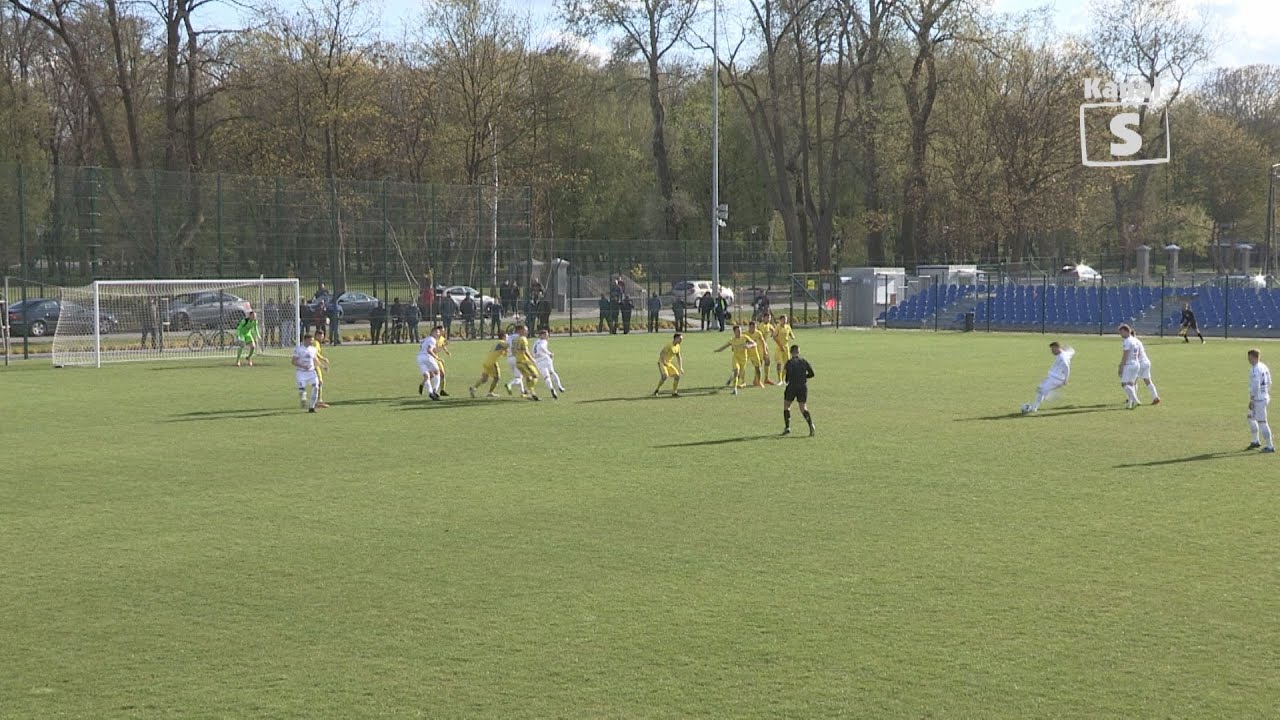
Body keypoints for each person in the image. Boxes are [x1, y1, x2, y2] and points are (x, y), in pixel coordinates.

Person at [1022, 341, 1075, 414]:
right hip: (1053, 378)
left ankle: (1047, 398)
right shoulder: (1065, 354)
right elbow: (1071, 351)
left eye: (1053, 349)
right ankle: (1036, 405)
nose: (1051, 351)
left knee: (1041, 390)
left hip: (1055, 379)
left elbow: (1067, 367)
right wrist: (1069, 349)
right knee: (1040, 390)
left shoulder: (1062, 357)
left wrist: (1066, 379)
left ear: (1057, 348)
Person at [1117, 324, 1159, 409]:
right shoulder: (1138, 341)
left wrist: (1121, 366)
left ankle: (1132, 399)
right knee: (1147, 381)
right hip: (1146, 361)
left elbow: (1132, 354)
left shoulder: (1130, 341)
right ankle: (1155, 397)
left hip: (1138, 363)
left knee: (1131, 383)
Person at [781, 344, 816, 436]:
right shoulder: (804, 361)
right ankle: (811, 425)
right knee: (803, 407)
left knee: (787, 405)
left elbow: (787, 378)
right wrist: (804, 377)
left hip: (792, 387)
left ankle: (787, 427)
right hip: (803, 387)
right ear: (798, 352)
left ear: (790, 352)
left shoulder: (789, 363)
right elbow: (812, 374)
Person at [715, 325, 756, 395]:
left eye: (740, 330)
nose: (740, 332)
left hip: (744, 359)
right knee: (737, 371)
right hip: (736, 358)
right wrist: (718, 350)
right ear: (734, 332)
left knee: (738, 374)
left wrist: (749, 346)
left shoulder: (745, 337)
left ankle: (731, 377)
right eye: (738, 331)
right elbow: (725, 346)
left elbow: (754, 343)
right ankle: (735, 389)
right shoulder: (732, 340)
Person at [1247, 348, 1274, 452]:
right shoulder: (1264, 366)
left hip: (1258, 400)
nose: (1248, 360)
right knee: (1250, 417)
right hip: (1263, 397)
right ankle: (1255, 441)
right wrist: (1266, 392)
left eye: (1250, 358)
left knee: (1262, 422)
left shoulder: (1255, 369)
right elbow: (1270, 381)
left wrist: (1252, 399)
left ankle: (1270, 446)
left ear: (1255, 357)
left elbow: (1255, 386)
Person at [532, 328, 567, 398]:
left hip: (538, 361)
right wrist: (549, 353)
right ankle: (559, 386)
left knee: (546, 377)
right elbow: (542, 347)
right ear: (541, 335)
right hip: (545, 359)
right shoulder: (543, 341)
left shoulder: (535, 342)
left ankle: (551, 389)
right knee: (552, 372)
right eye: (546, 335)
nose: (547, 336)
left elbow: (533, 351)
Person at [292, 333, 323, 413]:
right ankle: (303, 399)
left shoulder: (313, 349)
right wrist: (303, 366)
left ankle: (312, 407)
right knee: (302, 391)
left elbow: (315, 359)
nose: (312, 342)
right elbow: (293, 361)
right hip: (301, 372)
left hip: (311, 372)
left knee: (316, 387)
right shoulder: (298, 349)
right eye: (311, 340)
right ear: (306, 340)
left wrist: (323, 366)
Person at [511, 324, 541, 400]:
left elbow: (513, 351)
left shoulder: (515, 339)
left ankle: (531, 393)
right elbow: (525, 351)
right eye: (525, 330)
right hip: (524, 361)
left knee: (528, 377)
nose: (527, 331)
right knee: (535, 375)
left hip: (518, 362)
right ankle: (530, 391)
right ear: (521, 331)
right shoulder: (523, 339)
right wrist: (532, 359)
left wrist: (518, 355)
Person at [416, 325, 444, 400]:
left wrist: (441, 348)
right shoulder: (432, 339)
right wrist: (437, 358)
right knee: (437, 372)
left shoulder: (426, 339)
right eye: (437, 332)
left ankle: (430, 392)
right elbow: (429, 350)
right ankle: (435, 390)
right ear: (433, 332)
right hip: (427, 357)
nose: (438, 334)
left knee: (426, 376)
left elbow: (433, 350)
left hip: (419, 358)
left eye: (439, 332)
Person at [653, 332, 683, 397]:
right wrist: (664, 362)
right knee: (665, 376)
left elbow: (678, 356)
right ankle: (657, 390)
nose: (681, 340)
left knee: (677, 376)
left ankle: (674, 392)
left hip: (668, 363)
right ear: (676, 338)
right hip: (662, 362)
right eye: (680, 339)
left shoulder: (678, 346)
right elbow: (661, 353)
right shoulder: (669, 345)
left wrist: (681, 367)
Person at [745, 320, 771, 387]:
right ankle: (739, 381)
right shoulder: (745, 334)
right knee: (742, 366)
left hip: (757, 351)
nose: (754, 329)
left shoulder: (758, 333)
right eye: (752, 327)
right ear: (749, 327)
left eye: (755, 327)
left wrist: (765, 350)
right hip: (747, 353)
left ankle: (757, 381)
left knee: (759, 365)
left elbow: (763, 341)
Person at [311, 329, 332, 407]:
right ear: (316, 336)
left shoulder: (315, 343)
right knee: (319, 382)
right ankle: (318, 402)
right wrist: (323, 359)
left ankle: (318, 401)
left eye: (322, 336)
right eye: (320, 336)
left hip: (314, 364)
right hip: (314, 365)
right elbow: (315, 353)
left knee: (318, 382)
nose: (322, 338)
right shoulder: (316, 343)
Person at [772, 314, 795, 382]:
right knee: (779, 363)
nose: (785, 321)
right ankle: (779, 380)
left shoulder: (788, 326)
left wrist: (792, 336)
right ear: (780, 320)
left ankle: (783, 378)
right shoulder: (778, 327)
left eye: (786, 319)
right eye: (783, 319)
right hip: (779, 347)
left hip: (786, 347)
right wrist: (780, 346)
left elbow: (790, 333)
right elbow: (774, 337)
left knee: (787, 364)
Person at [503, 326, 525, 396]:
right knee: (518, 377)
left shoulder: (509, 337)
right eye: (524, 330)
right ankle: (509, 384)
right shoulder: (520, 338)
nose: (525, 332)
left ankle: (522, 393)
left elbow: (506, 347)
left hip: (509, 358)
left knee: (518, 376)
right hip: (517, 358)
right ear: (520, 330)